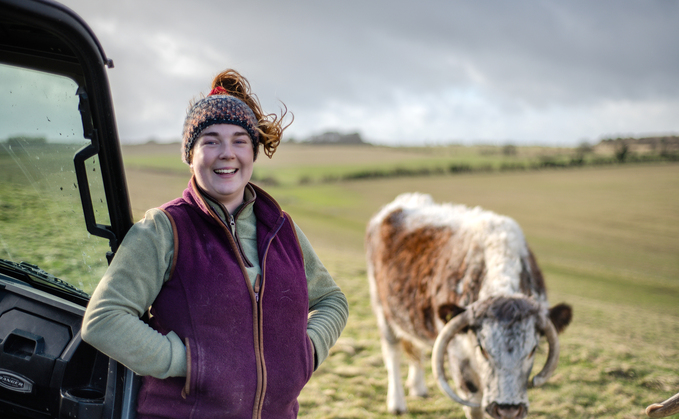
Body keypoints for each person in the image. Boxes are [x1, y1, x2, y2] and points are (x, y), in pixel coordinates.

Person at [81, 69, 349, 419]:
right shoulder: (164, 229)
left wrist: (306, 351)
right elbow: (104, 320)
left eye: (240, 140)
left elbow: (333, 300)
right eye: (210, 141)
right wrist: (188, 363)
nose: (227, 153)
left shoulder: (282, 230)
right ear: (190, 155)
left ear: (253, 152)